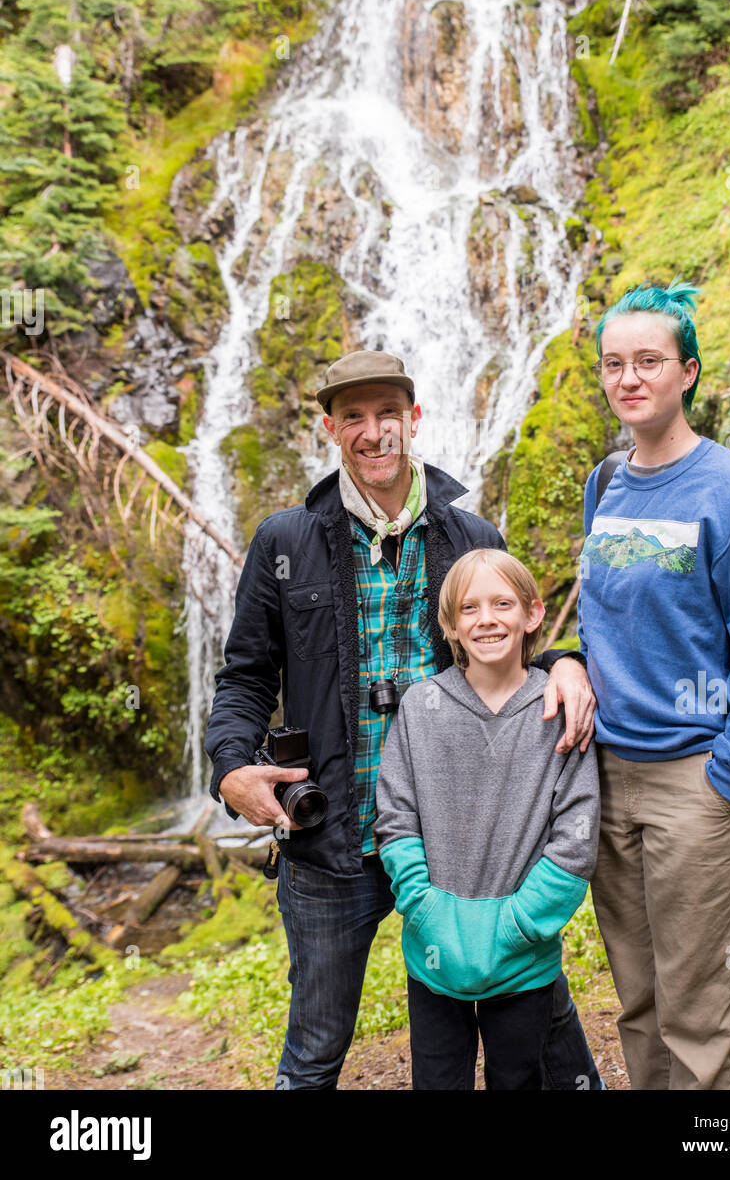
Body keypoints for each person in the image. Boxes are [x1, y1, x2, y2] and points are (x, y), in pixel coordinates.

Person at [204, 349, 602, 1090]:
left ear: (413, 419)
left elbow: (510, 652)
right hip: (333, 836)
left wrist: (567, 663)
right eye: (352, 416)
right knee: (316, 1045)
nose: (373, 431)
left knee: (542, 1015)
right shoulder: (285, 541)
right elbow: (247, 675)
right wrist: (229, 766)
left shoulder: (471, 534)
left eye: (388, 412)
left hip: (465, 834)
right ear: (329, 428)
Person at [577, 280, 730, 1090]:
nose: (628, 378)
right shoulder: (604, 486)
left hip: (692, 779)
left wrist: (726, 771)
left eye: (648, 361)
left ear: (688, 372)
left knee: (693, 1006)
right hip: (605, 778)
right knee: (637, 1000)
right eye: (614, 363)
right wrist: (571, 665)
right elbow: (605, 621)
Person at [375, 548, 600, 1090]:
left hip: (524, 958)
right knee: (436, 1080)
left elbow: (577, 835)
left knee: (519, 1078)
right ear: (449, 624)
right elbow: (395, 817)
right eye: (469, 608)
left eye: (502, 604)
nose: (487, 619)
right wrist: (425, 909)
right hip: (434, 954)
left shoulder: (560, 709)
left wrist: (520, 924)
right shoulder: (419, 708)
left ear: (532, 614)